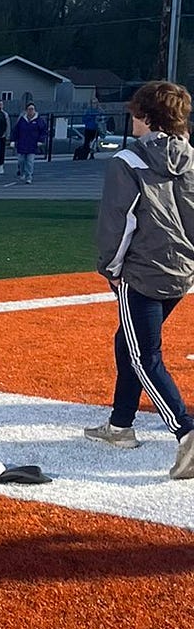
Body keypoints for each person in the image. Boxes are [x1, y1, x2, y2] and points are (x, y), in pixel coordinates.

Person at [85, 79, 194, 478]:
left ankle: (186, 431)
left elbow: (119, 223)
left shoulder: (128, 162)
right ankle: (120, 425)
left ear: (146, 116)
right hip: (181, 270)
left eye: (134, 112)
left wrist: (111, 269)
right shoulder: (191, 158)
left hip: (142, 271)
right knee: (127, 341)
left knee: (142, 355)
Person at [13, 102, 46, 183]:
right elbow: (16, 131)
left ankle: (29, 177)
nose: (31, 111)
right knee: (21, 160)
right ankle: (22, 172)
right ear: (26, 110)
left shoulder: (39, 120)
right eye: (29, 109)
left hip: (32, 144)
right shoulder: (22, 120)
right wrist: (13, 140)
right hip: (22, 144)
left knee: (30, 161)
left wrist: (40, 140)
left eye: (32, 109)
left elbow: (43, 131)